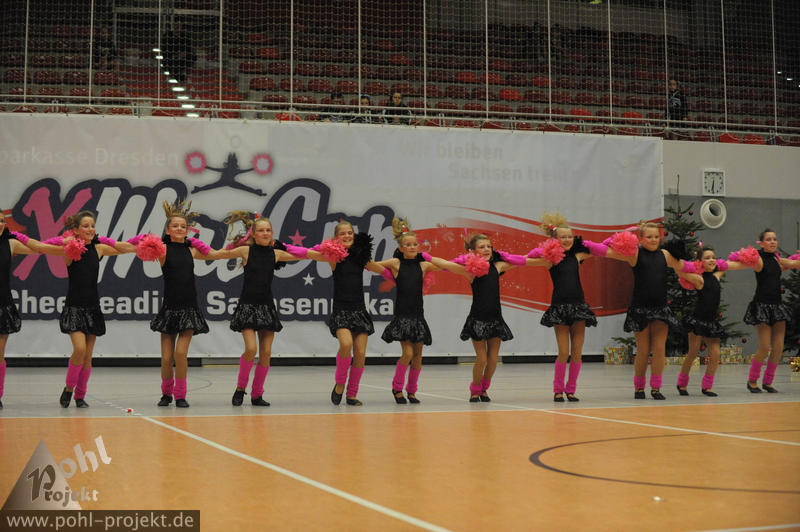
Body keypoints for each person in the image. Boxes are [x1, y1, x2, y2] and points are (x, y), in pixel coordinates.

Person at [13, 211, 135, 408]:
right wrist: (17, 236)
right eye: (85, 226)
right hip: (74, 307)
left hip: (93, 308)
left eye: (92, 225)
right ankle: (69, 388)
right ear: (76, 230)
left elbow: (124, 247)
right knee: (79, 349)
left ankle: (80, 396)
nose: (90, 229)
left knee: (87, 357)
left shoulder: (99, 248)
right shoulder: (68, 249)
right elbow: (41, 247)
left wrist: (149, 244)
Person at [284, 221, 383, 406]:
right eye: (343, 234)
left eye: (350, 233)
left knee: (360, 353)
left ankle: (352, 394)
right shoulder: (334, 258)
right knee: (346, 344)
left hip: (359, 310)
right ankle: (340, 383)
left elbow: (382, 270)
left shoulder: (362, 258)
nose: (347, 236)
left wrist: (403, 272)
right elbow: (307, 253)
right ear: (336, 238)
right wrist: (282, 248)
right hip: (341, 310)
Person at [429, 234, 538, 402]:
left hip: (495, 319)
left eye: (489, 246)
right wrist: (425, 257)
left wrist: (543, 257)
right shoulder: (470, 271)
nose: (487, 249)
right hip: (478, 319)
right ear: (472, 251)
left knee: (493, 360)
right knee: (482, 358)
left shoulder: (498, 266)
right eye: (482, 247)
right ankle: (475, 389)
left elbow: (521, 260)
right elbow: (446, 264)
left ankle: (484, 389)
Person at [147, 200, 230, 408]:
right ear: (167, 229)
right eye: (175, 226)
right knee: (167, 358)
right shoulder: (162, 250)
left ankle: (180, 395)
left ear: (188, 230)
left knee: (180, 354)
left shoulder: (192, 250)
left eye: (183, 226)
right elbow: (139, 247)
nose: (179, 229)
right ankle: (166, 393)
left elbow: (215, 254)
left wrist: (238, 247)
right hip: (169, 309)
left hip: (189, 309)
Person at [214, 213, 299, 406]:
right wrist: (191, 249)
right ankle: (240, 388)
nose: (265, 233)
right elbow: (217, 254)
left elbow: (305, 254)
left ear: (272, 233)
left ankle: (257, 394)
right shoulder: (245, 251)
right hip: (247, 306)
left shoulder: (276, 254)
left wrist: (329, 252)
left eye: (268, 230)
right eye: (261, 230)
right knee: (251, 349)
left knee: (266, 353)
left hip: (267, 307)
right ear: (253, 233)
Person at [603, 222, 687, 400]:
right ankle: (639, 387)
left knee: (659, 349)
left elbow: (683, 267)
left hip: (661, 308)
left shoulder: (665, 255)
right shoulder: (635, 254)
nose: (653, 240)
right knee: (643, 349)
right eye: (649, 237)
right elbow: (608, 251)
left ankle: (656, 388)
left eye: (656, 236)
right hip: (640, 308)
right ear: (640, 238)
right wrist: (589, 247)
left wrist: (699, 273)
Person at [536, 212, 600, 402]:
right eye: (562, 237)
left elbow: (601, 249)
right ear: (554, 240)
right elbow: (526, 259)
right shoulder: (550, 259)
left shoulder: (578, 255)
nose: (567, 240)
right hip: (560, 308)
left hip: (579, 307)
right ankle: (558, 389)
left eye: (570, 236)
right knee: (564, 352)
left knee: (577, 352)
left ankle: (571, 390)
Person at [375, 218, 440, 404]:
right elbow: (374, 265)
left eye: (415, 244)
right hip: (403, 316)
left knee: (418, 356)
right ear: (401, 248)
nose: (412, 247)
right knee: (408, 354)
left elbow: (446, 266)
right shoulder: (396, 263)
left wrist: (468, 262)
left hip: (418, 315)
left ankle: (412, 391)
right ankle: (397, 388)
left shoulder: (423, 265)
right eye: (408, 245)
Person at [675, 245, 749, 396]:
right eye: (707, 258)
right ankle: (682, 383)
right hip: (697, 320)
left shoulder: (717, 275)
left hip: (711, 322)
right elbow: (679, 270)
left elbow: (731, 265)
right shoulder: (698, 279)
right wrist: (685, 263)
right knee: (693, 352)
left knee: (715, 354)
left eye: (713, 257)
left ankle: (707, 386)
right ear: (700, 261)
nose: (712, 260)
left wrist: (750, 261)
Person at [743, 229, 800, 393]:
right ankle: (752, 381)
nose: (773, 242)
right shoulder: (758, 260)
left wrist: (795, 261)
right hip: (762, 306)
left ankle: (768, 382)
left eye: (774, 239)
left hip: (777, 306)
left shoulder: (777, 259)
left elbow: (794, 264)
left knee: (778, 347)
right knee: (764, 347)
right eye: (768, 239)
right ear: (761, 243)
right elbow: (741, 264)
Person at [0, 212, 39, 409]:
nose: (0, 224)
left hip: (3, 304)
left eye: (2, 221)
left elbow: (39, 248)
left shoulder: (10, 244)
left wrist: (63, 244)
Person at [162, 20, 196, 85]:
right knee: (170, 62)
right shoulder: (167, 36)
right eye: (176, 25)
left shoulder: (185, 37)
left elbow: (189, 49)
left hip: (182, 58)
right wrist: (174, 56)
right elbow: (164, 49)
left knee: (191, 57)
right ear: (173, 26)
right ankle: (176, 76)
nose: (177, 27)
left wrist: (183, 54)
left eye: (179, 25)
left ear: (181, 26)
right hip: (171, 58)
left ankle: (181, 76)